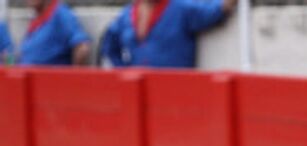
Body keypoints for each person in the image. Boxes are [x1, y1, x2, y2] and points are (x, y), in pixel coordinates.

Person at [100, 0, 236, 68]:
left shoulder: (181, 8)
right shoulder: (126, 15)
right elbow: (109, 46)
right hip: (137, 92)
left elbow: (220, 8)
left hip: (174, 92)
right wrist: (125, 73)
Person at [19, 0, 91, 65]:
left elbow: (82, 48)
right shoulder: (37, 19)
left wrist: (74, 77)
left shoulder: (60, 14)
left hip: (49, 77)